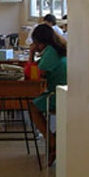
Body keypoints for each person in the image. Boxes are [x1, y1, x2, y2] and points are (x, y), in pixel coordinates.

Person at [27, 24, 67, 166]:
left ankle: (52, 142)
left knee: (32, 106)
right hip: (66, 92)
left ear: (40, 42)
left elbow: (34, 74)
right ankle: (54, 142)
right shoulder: (58, 48)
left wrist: (31, 53)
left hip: (60, 95)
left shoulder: (50, 51)